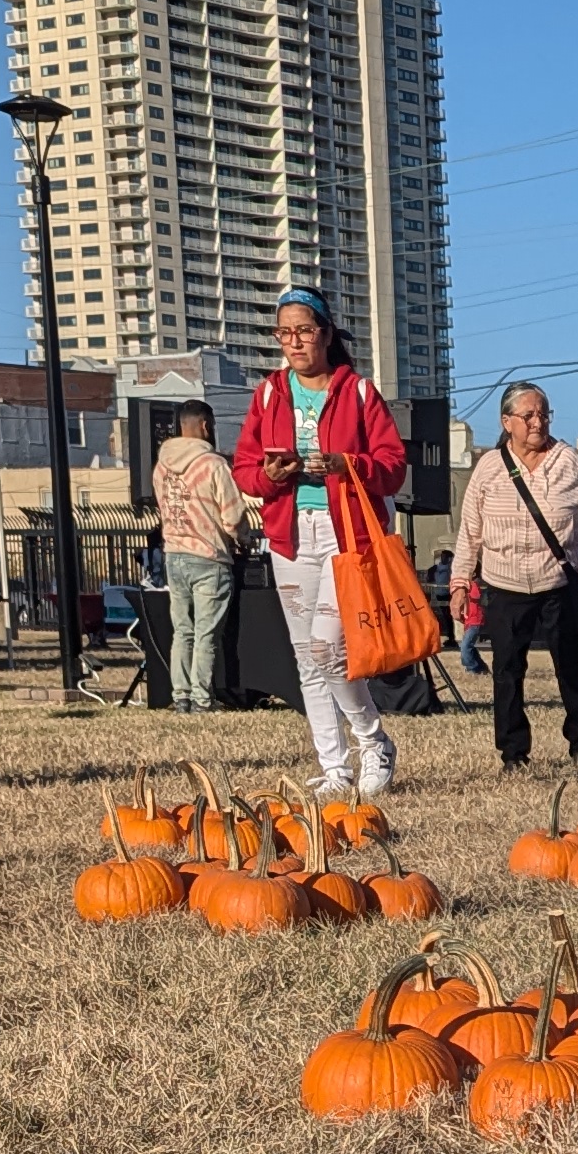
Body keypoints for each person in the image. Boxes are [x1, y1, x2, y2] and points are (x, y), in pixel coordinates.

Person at [230, 286, 411, 797]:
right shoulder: (269, 393)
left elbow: (393, 468)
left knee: (327, 648)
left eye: (304, 331)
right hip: (290, 535)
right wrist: (271, 474)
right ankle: (334, 768)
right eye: (285, 333)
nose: (294, 342)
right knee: (306, 657)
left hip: (345, 535)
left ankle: (374, 742)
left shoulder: (357, 392)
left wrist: (344, 463)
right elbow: (245, 470)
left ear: (327, 334)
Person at [452, 382, 578, 771]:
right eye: (528, 416)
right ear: (507, 422)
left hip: (559, 582)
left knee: (571, 666)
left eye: (544, 414)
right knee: (507, 671)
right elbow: (470, 530)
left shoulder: (569, 462)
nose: (538, 422)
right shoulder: (489, 468)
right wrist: (460, 582)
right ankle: (513, 754)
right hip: (503, 584)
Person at [151, 402, 248, 713]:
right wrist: (242, 538)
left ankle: (180, 696)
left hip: (174, 554)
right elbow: (232, 514)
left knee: (183, 629)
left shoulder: (161, 465)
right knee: (207, 632)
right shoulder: (213, 464)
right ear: (206, 426)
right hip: (209, 556)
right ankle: (202, 699)